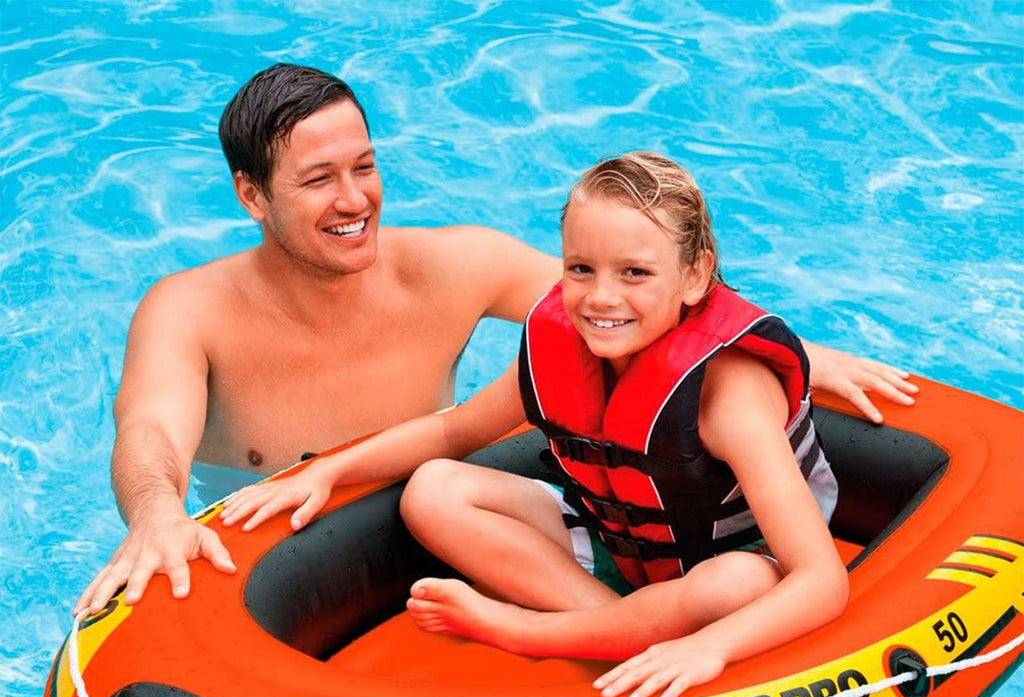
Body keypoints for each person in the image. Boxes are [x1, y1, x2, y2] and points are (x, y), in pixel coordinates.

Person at [75, 63, 915, 618]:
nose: (355, 200)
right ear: (252, 196)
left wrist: (802, 360)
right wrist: (155, 513)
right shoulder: (189, 311)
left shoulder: (457, 266)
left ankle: (612, 628)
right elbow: (148, 431)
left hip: (468, 526)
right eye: (319, 179)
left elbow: (633, 298)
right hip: (284, 563)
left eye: (364, 166)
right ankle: (613, 626)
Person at [219, 152, 850, 697]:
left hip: (725, 570)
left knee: (737, 581)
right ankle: (618, 626)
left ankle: (530, 632)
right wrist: (329, 470)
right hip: (621, 552)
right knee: (433, 489)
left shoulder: (728, 394)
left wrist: (710, 648)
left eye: (634, 273)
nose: (601, 298)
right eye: (581, 269)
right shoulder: (562, 345)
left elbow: (821, 581)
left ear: (693, 275)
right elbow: (452, 434)